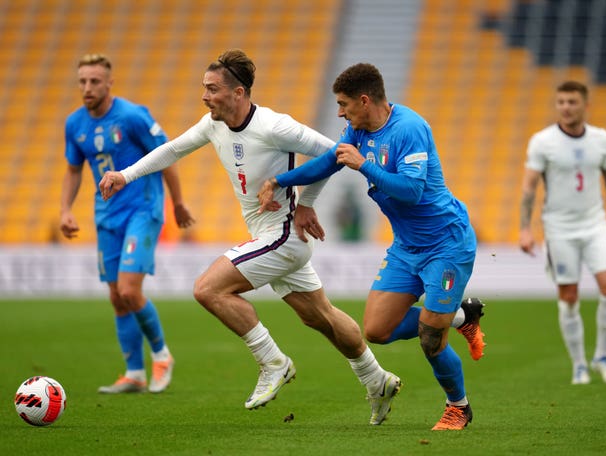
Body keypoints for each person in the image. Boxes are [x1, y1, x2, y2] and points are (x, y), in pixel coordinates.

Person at [98, 49, 402, 425]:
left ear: (238, 93)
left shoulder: (275, 126)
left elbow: (334, 152)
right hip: (267, 233)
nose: (205, 96)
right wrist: (124, 175)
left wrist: (306, 202)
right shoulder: (213, 125)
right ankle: (377, 379)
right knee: (320, 317)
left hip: (284, 234)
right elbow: (173, 149)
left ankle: (273, 362)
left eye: (212, 89)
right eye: (204, 88)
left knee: (208, 289)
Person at [258, 63, 482, 431]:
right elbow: (327, 163)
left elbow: (411, 190)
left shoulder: (409, 129)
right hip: (407, 247)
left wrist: (364, 166)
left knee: (429, 336)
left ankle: (458, 406)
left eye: (344, 104)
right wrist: (279, 180)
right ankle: (462, 318)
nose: (340, 113)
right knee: (377, 330)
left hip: (446, 244)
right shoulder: (357, 130)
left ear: (365, 100)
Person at [60, 53, 195, 394]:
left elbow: (167, 155)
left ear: (109, 83)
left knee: (129, 290)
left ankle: (162, 355)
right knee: (116, 298)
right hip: (106, 216)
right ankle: (134, 372)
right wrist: (65, 209)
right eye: (82, 81)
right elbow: (74, 170)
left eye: (94, 81)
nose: (87, 87)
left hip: (143, 209)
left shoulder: (133, 116)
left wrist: (177, 203)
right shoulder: (74, 124)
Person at [519, 81, 606, 386]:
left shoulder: (601, 139)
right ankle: (579, 364)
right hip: (559, 228)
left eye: (572, 102)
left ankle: (602, 356)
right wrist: (525, 228)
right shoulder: (543, 141)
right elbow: (529, 187)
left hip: (595, 223)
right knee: (569, 296)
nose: (566, 107)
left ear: (585, 105)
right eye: (561, 102)